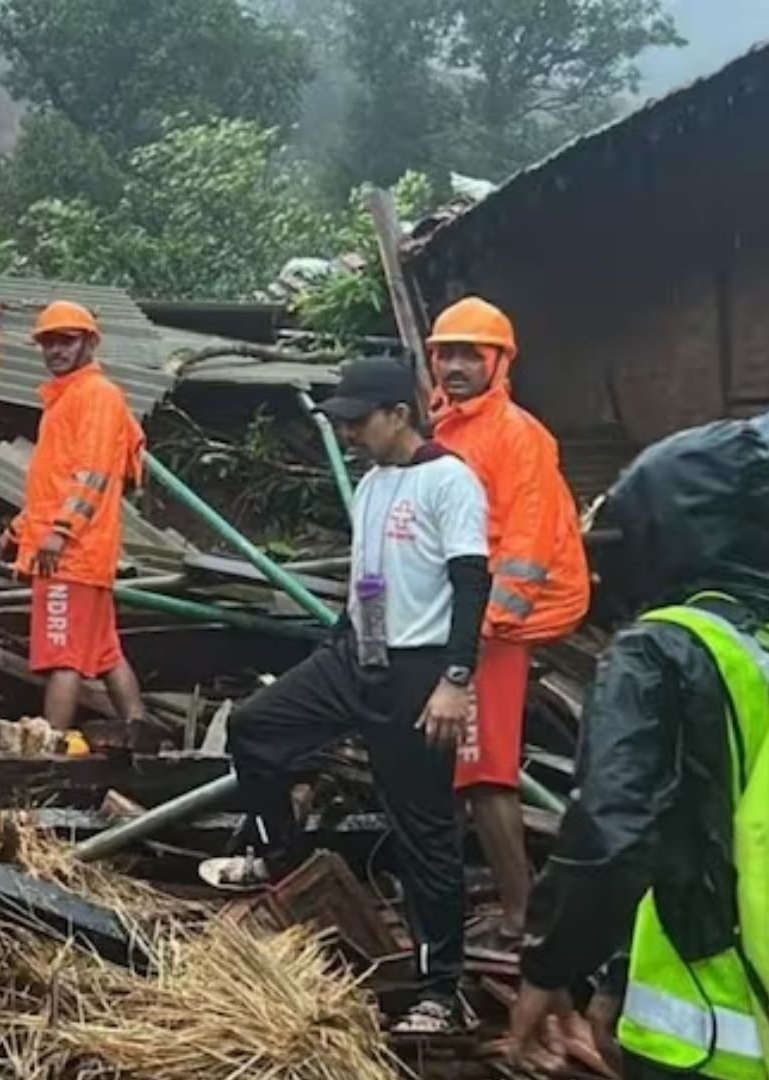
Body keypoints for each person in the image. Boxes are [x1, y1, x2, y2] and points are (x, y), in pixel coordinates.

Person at [199, 356, 490, 1036]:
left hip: (420, 673)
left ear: (399, 414)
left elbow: (472, 584)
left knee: (423, 832)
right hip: (358, 655)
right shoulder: (372, 485)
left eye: (360, 421)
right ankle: (279, 856)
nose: (350, 434)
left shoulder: (451, 481)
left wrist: (455, 680)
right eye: (344, 423)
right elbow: (371, 579)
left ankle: (440, 992)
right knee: (256, 728)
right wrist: (340, 644)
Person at [507, 415, 769, 1080]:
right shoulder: (755, 646)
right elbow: (701, 823)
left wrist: (550, 968)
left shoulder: (660, 650)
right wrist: (621, 978)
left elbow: (614, 831)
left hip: (709, 1033)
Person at [426, 296, 591, 953]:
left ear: (500, 362)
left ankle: (523, 920)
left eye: (472, 353)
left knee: (485, 771)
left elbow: (525, 543)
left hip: (490, 630)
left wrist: (481, 633)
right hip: (462, 622)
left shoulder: (515, 434)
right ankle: (494, 900)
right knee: (462, 768)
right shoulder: (450, 429)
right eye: (448, 353)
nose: (458, 365)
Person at [0, 301, 148, 732]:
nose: (56, 350)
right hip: (77, 551)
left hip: (72, 556)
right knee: (105, 653)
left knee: (62, 656)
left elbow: (93, 475)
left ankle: (49, 746)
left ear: (90, 343)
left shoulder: (95, 396)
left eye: (67, 341)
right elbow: (54, 482)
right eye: (49, 343)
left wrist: (60, 533)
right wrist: (17, 529)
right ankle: (140, 732)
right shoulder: (67, 398)